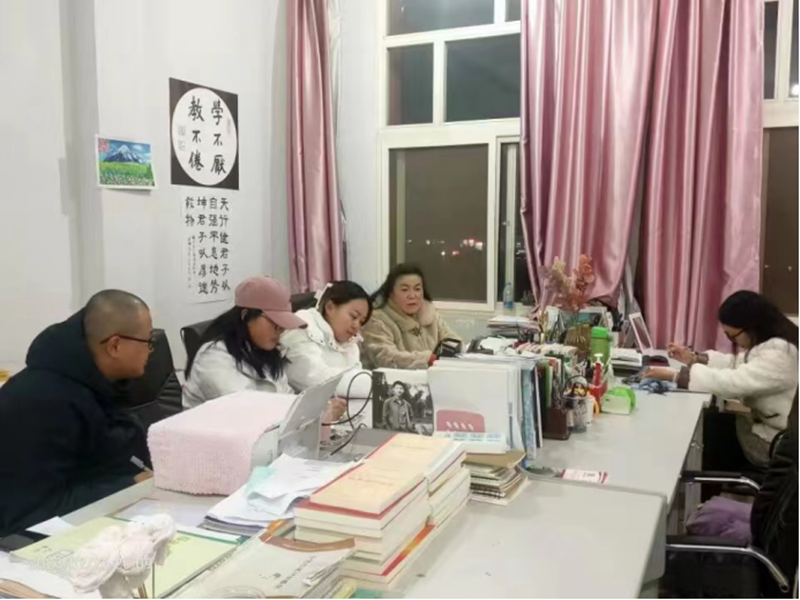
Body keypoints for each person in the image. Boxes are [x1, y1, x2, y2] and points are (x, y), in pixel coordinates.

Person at [0, 290, 154, 535]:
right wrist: (127, 486)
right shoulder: (42, 402)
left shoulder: (94, 381)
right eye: (148, 342)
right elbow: (30, 514)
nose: (150, 351)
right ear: (115, 345)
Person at [646, 291, 798, 467]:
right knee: (707, 422)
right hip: (769, 431)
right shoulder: (779, 344)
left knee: (699, 431)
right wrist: (694, 358)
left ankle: (695, 481)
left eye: (732, 336)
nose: (733, 341)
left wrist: (677, 376)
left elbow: (732, 382)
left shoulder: (781, 355)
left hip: (772, 446)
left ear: (751, 326)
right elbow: (736, 364)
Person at [183, 277, 306, 409]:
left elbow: (287, 398)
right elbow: (243, 409)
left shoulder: (266, 351)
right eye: (275, 323)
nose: (281, 330)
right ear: (245, 316)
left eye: (283, 324)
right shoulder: (212, 359)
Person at [362, 264, 461, 369]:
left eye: (417, 289)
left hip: (434, 375)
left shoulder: (429, 313)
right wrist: (428, 359)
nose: (412, 295)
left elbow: (451, 339)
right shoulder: (377, 319)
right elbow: (384, 357)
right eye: (405, 290)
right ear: (391, 293)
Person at [281, 281, 372, 392]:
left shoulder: (351, 344)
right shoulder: (302, 326)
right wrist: (372, 382)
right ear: (330, 308)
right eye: (353, 316)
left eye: (361, 321)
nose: (356, 326)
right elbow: (314, 379)